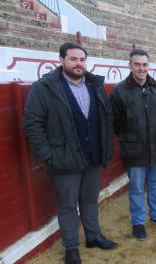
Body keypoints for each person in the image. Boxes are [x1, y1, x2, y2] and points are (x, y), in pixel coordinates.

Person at [22, 42, 117, 264]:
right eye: (73, 59)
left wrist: (105, 145)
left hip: (93, 156)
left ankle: (93, 237)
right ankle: (71, 248)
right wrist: (49, 155)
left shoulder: (94, 84)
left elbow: (106, 118)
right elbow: (32, 124)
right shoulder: (44, 87)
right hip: (64, 160)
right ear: (62, 60)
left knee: (90, 200)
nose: (78, 63)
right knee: (67, 206)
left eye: (82, 59)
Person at [110, 49, 156, 240]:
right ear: (130, 66)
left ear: (148, 66)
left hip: (155, 147)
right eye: (137, 64)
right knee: (137, 188)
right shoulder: (120, 91)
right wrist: (130, 138)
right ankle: (138, 222)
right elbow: (113, 122)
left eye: (145, 65)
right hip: (134, 149)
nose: (141, 68)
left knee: (154, 184)